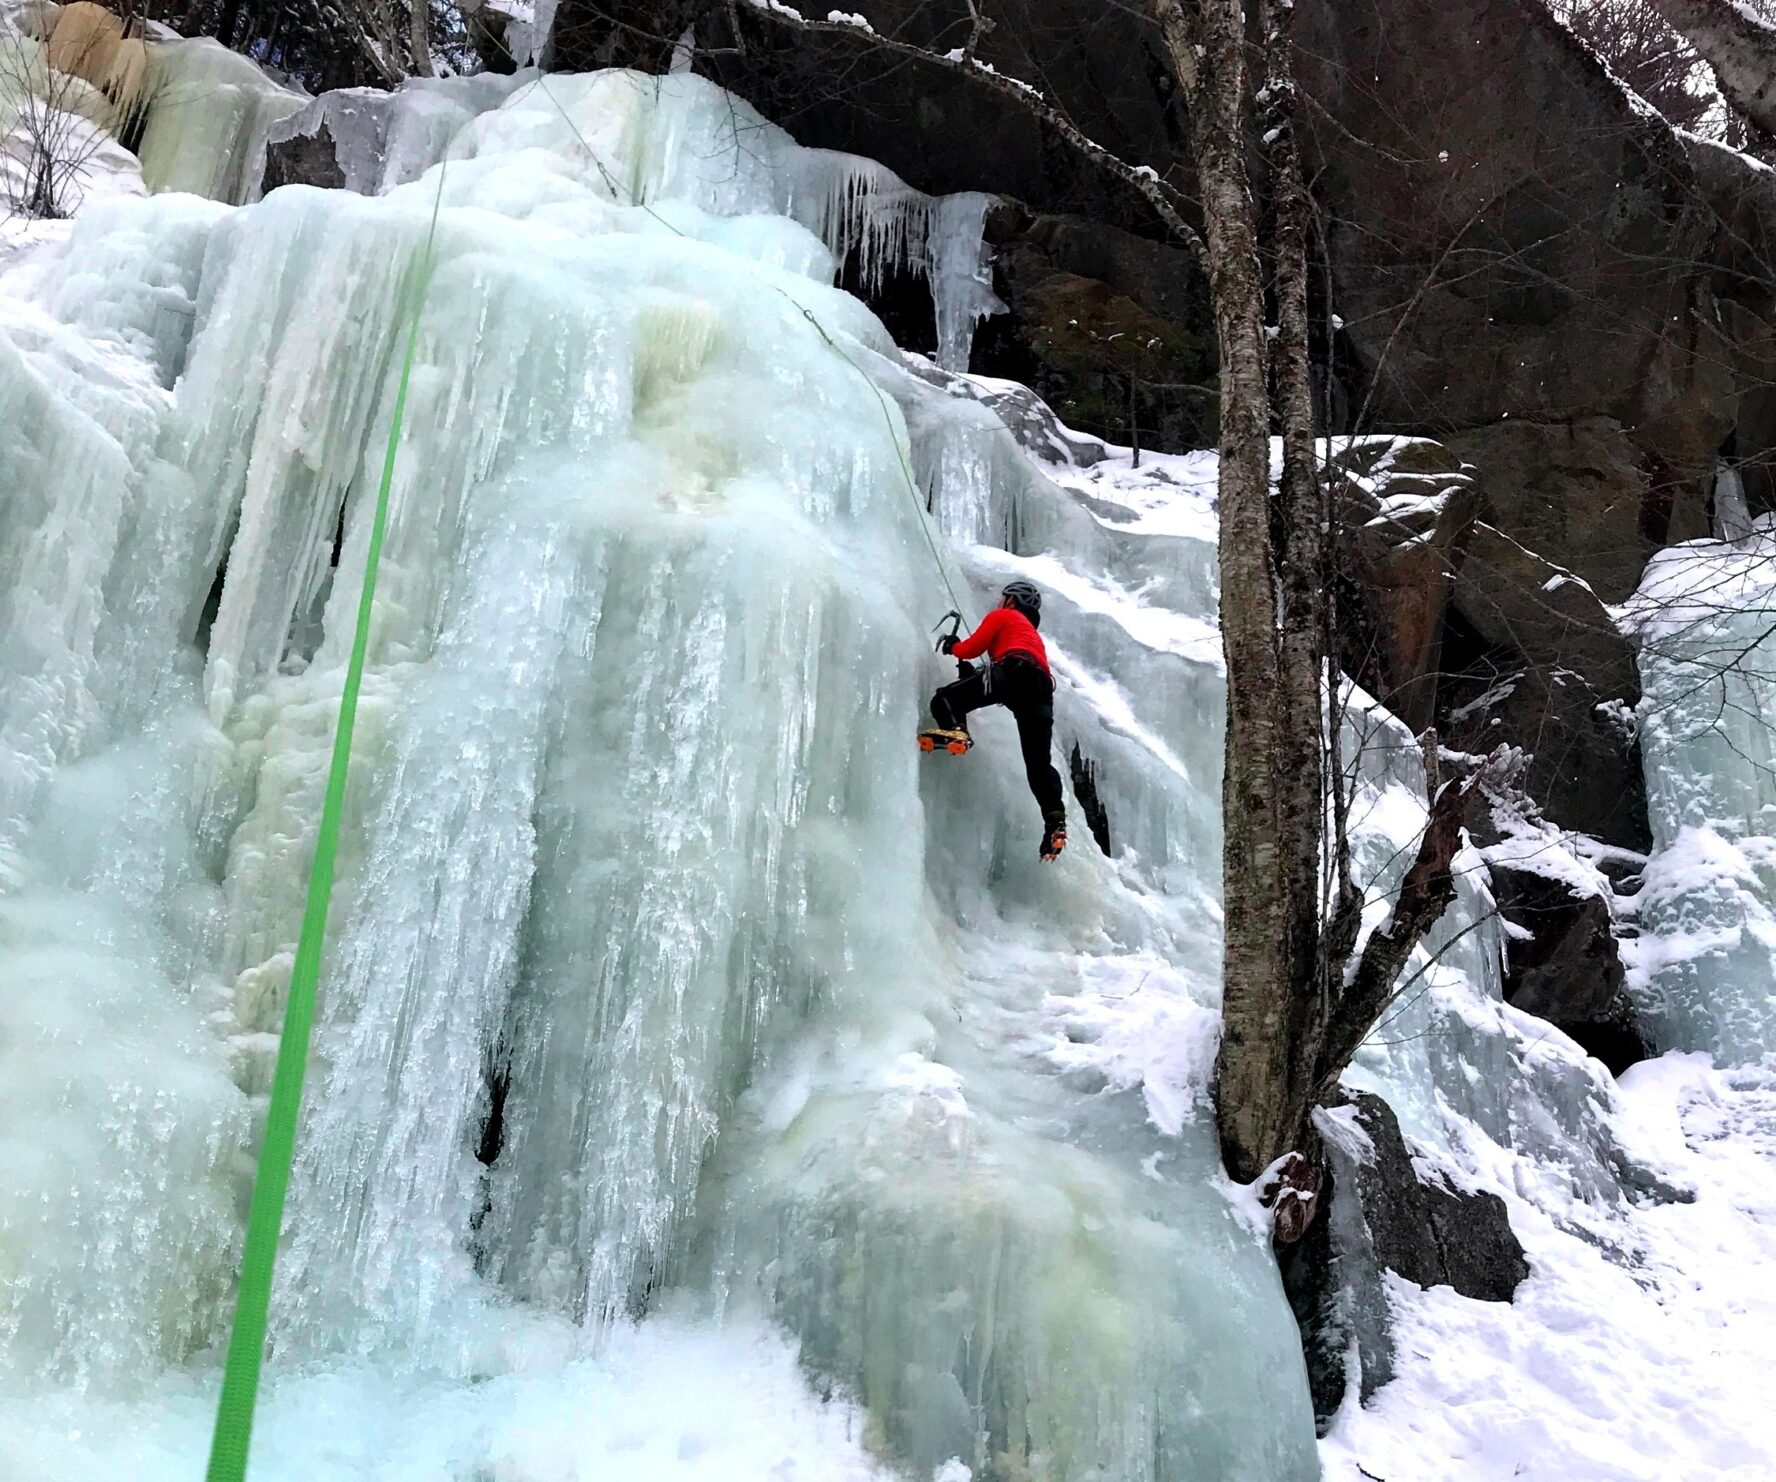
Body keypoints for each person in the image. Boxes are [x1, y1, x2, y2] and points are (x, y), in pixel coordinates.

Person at [921, 579, 1067, 861]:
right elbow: (996, 675)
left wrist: (954, 647)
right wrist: (973, 676)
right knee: (1038, 765)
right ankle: (1055, 821)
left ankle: (956, 732)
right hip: (1040, 690)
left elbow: (972, 648)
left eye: (1003, 598)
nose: (998, 603)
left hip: (1015, 670)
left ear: (1011, 601)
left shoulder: (1005, 616)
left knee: (945, 700)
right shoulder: (1031, 636)